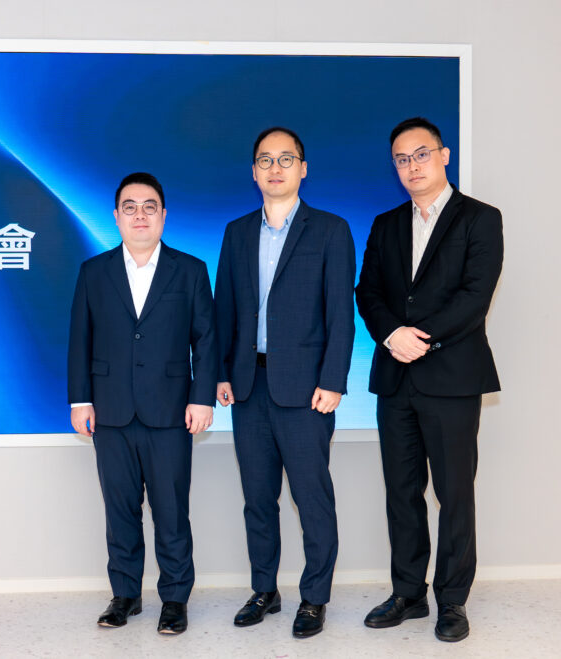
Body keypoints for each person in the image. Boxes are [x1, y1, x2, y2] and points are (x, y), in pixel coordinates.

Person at [355, 117, 503, 643]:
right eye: (401, 159)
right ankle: (408, 593)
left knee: (454, 493)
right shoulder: (385, 224)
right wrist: (391, 334)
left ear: (443, 156)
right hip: (395, 378)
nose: (411, 166)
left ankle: (453, 600)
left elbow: (475, 296)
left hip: (452, 378)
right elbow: (368, 292)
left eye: (420, 154)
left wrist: (421, 338)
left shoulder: (480, 218)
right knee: (402, 491)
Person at [213, 127, 356, 638]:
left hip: (307, 391)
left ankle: (314, 597)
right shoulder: (236, 232)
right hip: (249, 387)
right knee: (258, 498)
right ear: (253, 171)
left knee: (311, 498)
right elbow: (225, 310)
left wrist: (333, 381)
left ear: (303, 168)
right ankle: (264, 590)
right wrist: (221, 372)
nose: (275, 168)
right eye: (265, 160)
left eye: (286, 159)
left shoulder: (331, 230)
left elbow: (341, 314)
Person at [67, 172, 217, 635]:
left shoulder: (189, 270)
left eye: (149, 206)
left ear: (163, 215)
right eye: (130, 207)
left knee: (171, 510)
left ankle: (175, 599)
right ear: (116, 217)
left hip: (171, 411)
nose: (140, 215)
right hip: (110, 411)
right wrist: (80, 400)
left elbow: (206, 341)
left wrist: (202, 399)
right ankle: (125, 595)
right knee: (120, 510)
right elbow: (79, 340)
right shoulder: (94, 272)